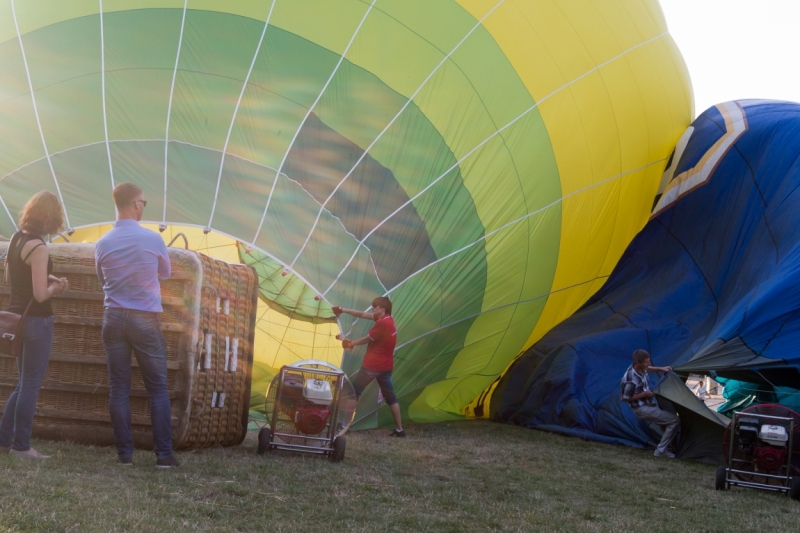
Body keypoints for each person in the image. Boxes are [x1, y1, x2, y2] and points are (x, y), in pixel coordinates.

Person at [95, 183, 179, 468]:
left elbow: (102, 280)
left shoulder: (102, 242)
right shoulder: (152, 239)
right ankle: (164, 456)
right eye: (143, 201)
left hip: (113, 318)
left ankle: (124, 455)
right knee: (157, 389)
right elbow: (165, 273)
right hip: (144, 319)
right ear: (134, 204)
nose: (144, 206)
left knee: (118, 388)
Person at [0, 191, 68, 459]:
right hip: (38, 321)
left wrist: (47, 276)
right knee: (30, 384)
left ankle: (5, 440)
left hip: (17, 319)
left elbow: (12, 276)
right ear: (52, 218)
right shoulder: (40, 247)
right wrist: (55, 287)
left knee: (22, 383)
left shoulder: (17, 238)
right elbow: (40, 295)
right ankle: (22, 446)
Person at [334, 297, 405, 437]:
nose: (372, 308)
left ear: (382, 309)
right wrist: (343, 310)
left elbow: (367, 339)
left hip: (372, 367)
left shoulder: (382, 324)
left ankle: (344, 426)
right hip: (386, 367)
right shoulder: (388, 320)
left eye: (375, 306)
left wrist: (350, 343)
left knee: (354, 393)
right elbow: (361, 314)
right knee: (390, 397)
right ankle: (399, 430)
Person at [620, 349, 679, 458]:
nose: (649, 364)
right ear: (638, 362)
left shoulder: (640, 368)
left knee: (666, 421)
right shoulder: (630, 378)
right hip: (642, 409)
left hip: (649, 405)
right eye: (646, 362)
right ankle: (660, 451)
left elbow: (647, 369)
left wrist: (661, 369)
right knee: (674, 421)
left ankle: (669, 446)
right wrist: (644, 394)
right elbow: (624, 398)